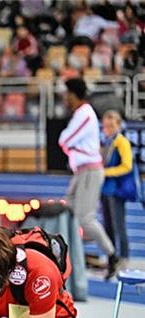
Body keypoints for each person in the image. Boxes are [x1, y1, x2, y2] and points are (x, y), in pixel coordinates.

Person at [58, 78, 119, 280]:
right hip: (82, 171)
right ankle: (72, 256)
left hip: (89, 171)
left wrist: (71, 147)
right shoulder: (81, 113)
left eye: (67, 93)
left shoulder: (85, 113)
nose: (65, 98)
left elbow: (64, 140)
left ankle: (112, 255)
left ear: (73, 94)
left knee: (86, 218)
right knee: (68, 211)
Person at [100, 110, 136, 267]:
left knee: (119, 225)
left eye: (111, 124)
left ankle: (124, 257)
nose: (108, 127)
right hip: (106, 189)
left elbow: (127, 166)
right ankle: (112, 256)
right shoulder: (107, 141)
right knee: (108, 226)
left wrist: (106, 172)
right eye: (106, 125)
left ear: (119, 125)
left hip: (115, 190)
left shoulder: (122, 141)